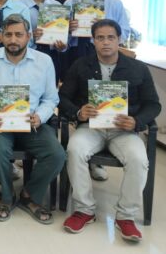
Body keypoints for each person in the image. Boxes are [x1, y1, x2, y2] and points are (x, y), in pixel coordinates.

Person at [59, 19, 161, 242]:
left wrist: (136, 121)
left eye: (110, 37)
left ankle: (125, 216)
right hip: (90, 128)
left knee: (138, 159)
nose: (106, 42)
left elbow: (153, 104)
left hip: (124, 131)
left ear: (119, 40)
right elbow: (63, 97)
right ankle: (84, 210)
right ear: (93, 41)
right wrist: (78, 112)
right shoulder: (80, 65)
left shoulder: (138, 68)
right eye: (100, 38)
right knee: (74, 150)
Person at [0, 14, 65, 224]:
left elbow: (51, 98)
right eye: (8, 34)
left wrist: (40, 117)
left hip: (32, 124)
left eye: (18, 35)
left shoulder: (44, 61)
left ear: (28, 36)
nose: (13, 39)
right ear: (1, 36)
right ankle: (7, 195)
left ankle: (29, 195)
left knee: (57, 154)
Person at [64, 0, 131, 68]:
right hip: (75, 53)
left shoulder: (115, 3)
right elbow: (61, 39)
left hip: (106, 52)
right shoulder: (69, 3)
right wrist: (67, 30)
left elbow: (125, 31)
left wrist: (107, 28)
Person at [23, 0, 67, 84]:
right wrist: (31, 36)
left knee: (50, 88)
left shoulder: (57, 6)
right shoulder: (19, 6)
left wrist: (62, 46)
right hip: (27, 55)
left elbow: (63, 37)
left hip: (52, 56)